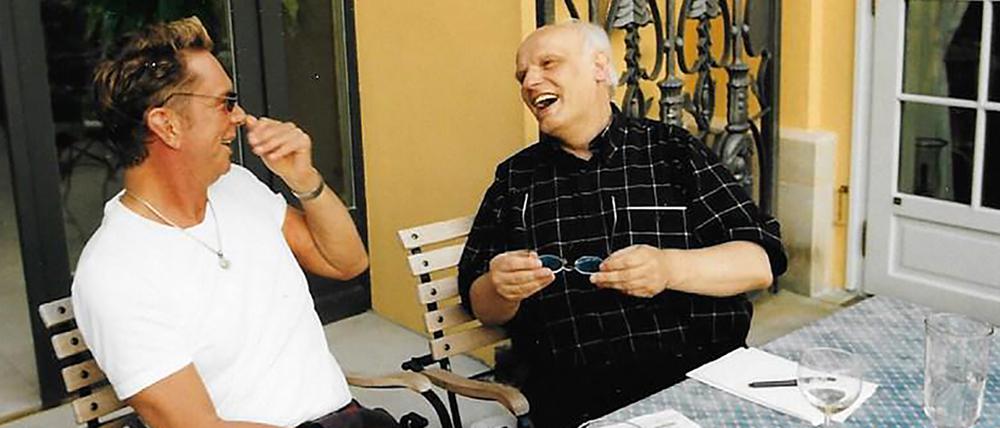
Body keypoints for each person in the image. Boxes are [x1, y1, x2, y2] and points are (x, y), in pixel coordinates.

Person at [458, 21, 787, 427]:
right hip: (579, 402)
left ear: (599, 67)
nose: (530, 82)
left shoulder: (672, 150)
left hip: (702, 383)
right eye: (522, 75)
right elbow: (480, 302)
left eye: (548, 63)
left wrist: (668, 268)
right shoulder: (515, 179)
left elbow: (759, 262)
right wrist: (500, 287)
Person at [72, 17, 396, 428]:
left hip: (346, 417)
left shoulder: (238, 187)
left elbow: (347, 263)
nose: (240, 116)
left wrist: (304, 180)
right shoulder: (115, 271)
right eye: (225, 102)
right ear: (167, 125)